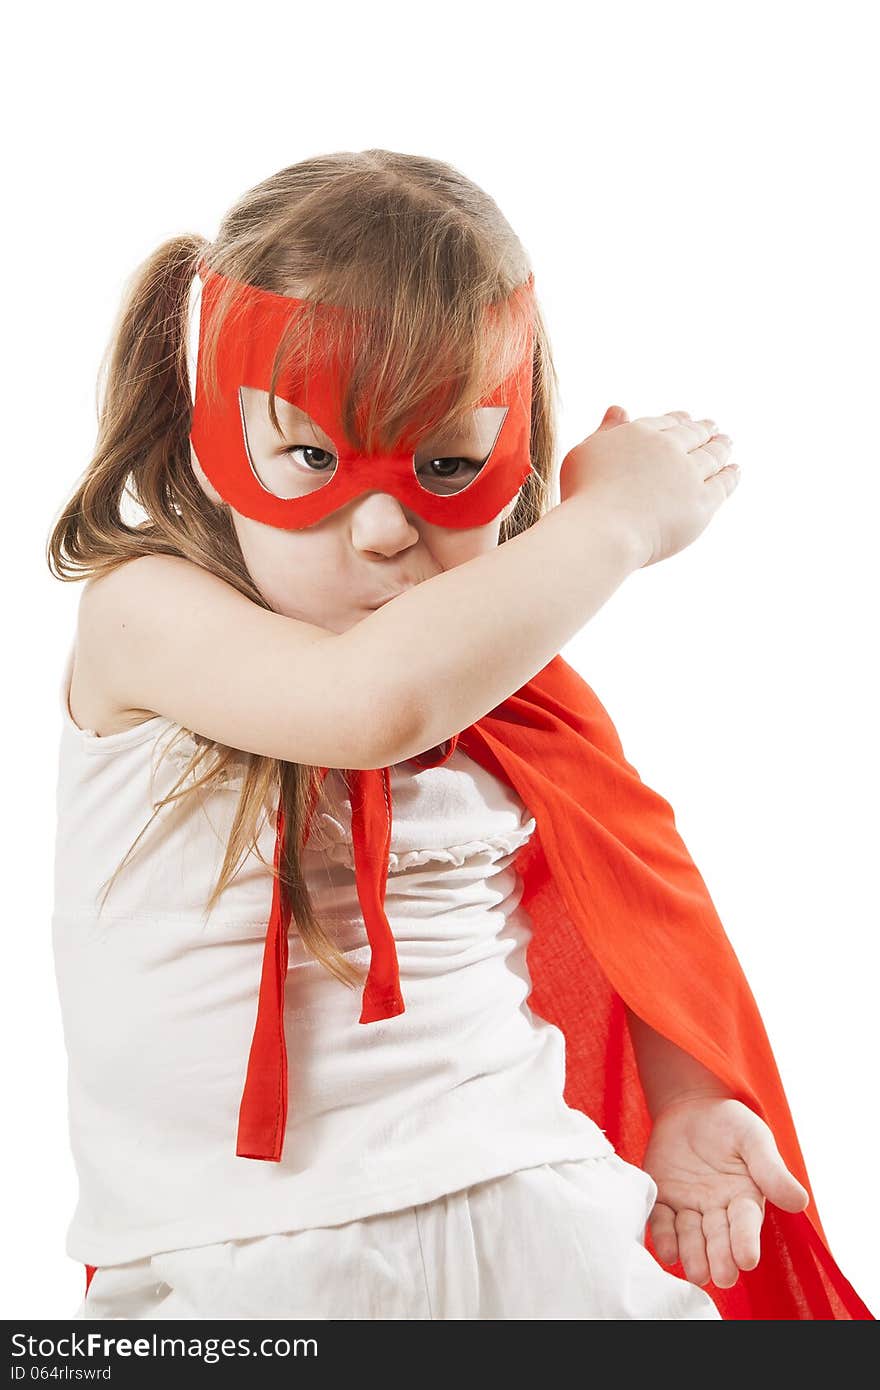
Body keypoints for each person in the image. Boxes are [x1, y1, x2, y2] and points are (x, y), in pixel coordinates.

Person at [47, 149, 871, 1321]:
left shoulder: (507, 691)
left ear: (512, 457)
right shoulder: (141, 622)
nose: (383, 526)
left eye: (444, 465)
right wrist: (619, 522)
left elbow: (633, 892)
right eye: (314, 458)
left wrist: (685, 1096)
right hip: (246, 1272)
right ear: (211, 445)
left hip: (540, 1214)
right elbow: (370, 707)